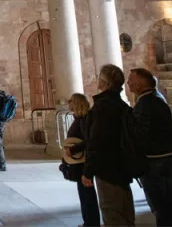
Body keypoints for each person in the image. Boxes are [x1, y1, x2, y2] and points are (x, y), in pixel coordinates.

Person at [82, 64, 134, 226]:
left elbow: (97, 141)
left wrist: (88, 171)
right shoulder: (121, 105)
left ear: (103, 83)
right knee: (125, 215)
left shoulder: (103, 107)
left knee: (113, 215)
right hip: (122, 168)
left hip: (108, 170)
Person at [128, 68, 172, 226]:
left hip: (153, 161)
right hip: (166, 157)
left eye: (130, 80)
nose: (128, 83)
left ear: (139, 85)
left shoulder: (144, 105)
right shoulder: (159, 101)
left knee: (160, 206)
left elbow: (141, 135)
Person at [65, 93, 100, 227]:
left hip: (83, 161)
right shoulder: (80, 118)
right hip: (79, 160)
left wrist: (73, 149)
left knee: (87, 194)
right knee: (84, 193)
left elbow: (89, 141)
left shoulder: (85, 118)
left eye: (71, 101)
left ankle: (91, 223)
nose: (69, 104)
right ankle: (89, 221)